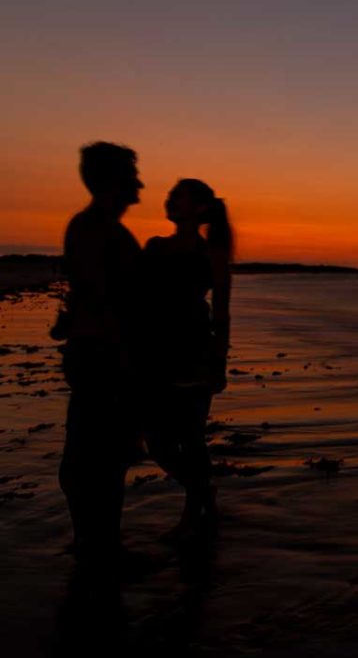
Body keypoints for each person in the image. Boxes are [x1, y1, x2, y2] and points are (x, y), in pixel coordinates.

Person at [59, 141, 144, 560]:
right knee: (95, 456)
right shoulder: (94, 227)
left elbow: (88, 292)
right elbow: (99, 296)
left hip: (101, 350)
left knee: (106, 454)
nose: (140, 183)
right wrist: (125, 360)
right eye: (132, 175)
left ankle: (99, 541)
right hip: (103, 355)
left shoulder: (104, 228)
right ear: (113, 180)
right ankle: (95, 543)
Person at [141, 179, 233, 541]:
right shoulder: (154, 247)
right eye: (169, 196)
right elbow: (136, 298)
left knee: (192, 438)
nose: (168, 201)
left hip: (194, 352)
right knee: (158, 443)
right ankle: (203, 493)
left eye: (176, 197)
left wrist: (219, 364)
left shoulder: (211, 253)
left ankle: (194, 514)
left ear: (197, 209)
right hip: (154, 352)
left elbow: (222, 315)